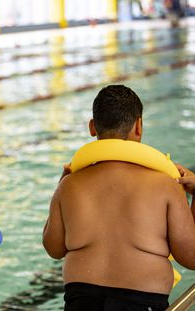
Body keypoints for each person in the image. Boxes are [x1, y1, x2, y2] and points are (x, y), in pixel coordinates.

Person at [43, 85, 195, 311]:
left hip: (80, 300)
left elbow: (53, 248)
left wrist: (61, 185)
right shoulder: (164, 185)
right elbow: (191, 257)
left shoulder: (70, 185)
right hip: (140, 303)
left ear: (92, 127)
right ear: (139, 126)